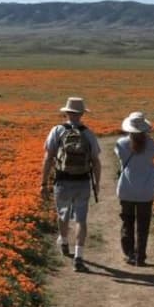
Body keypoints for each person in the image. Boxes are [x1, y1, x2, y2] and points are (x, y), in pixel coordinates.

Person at [41, 96, 102, 272]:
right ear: (82, 113)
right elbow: (96, 161)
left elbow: (48, 158)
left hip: (62, 180)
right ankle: (79, 256)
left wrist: (43, 182)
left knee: (63, 214)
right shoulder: (88, 133)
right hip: (82, 181)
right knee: (81, 219)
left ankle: (64, 242)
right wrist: (97, 183)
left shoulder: (57, 130)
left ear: (67, 113)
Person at [114, 111, 154, 267]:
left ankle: (129, 254)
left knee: (127, 222)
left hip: (127, 189)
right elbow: (153, 154)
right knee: (143, 224)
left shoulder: (121, 143)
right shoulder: (152, 145)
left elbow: (120, 157)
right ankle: (140, 256)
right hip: (146, 190)